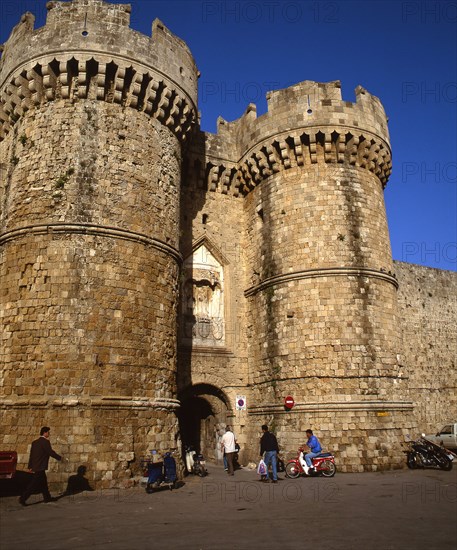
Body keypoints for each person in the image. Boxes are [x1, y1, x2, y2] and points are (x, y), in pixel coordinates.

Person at [19, 427, 62, 506]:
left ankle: (47, 498)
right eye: (48, 432)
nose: (49, 434)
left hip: (36, 465)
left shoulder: (35, 442)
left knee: (43, 483)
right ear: (44, 433)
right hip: (40, 466)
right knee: (33, 484)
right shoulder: (45, 442)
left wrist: (30, 466)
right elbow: (50, 452)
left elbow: (31, 455)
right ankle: (22, 498)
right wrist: (59, 458)